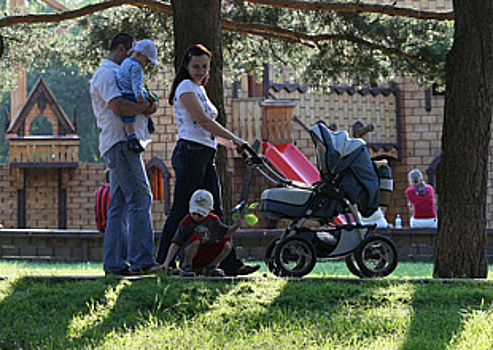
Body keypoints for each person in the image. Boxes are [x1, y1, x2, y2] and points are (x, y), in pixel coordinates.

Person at [155, 44, 259, 276]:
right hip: (190, 153)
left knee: (216, 212)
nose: (200, 70)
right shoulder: (185, 87)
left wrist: (233, 145)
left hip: (204, 153)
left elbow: (208, 133)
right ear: (186, 66)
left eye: (204, 66)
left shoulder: (200, 89)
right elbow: (202, 121)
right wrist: (236, 138)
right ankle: (164, 262)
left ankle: (229, 263)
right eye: (195, 66)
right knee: (182, 209)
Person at [90, 32, 161, 275]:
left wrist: (147, 105)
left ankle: (114, 264)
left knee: (118, 205)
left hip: (124, 143)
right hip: (121, 143)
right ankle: (142, 260)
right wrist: (145, 107)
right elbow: (119, 106)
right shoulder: (107, 74)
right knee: (141, 197)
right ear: (121, 49)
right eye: (131, 51)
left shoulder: (123, 72)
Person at [162, 189, 242, 277]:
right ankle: (187, 266)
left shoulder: (213, 220)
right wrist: (166, 263)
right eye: (194, 213)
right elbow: (176, 243)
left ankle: (211, 267)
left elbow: (225, 233)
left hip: (206, 253)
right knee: (196, 239)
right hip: (191, 253)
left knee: (227, 244)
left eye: (200, 215)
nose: (196, 217)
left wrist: (235, 226)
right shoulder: (186, 222)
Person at [116, 39, 159, 153]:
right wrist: (140, 97)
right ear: (139, 54)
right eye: (146, 61)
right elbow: (136, 85)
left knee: (128, 120)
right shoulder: (137, 67)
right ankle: (137, 133)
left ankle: (134, 134)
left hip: (124, 92)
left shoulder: (125, 62)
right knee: (134, 114)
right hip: (132, 94)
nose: (146, 65)